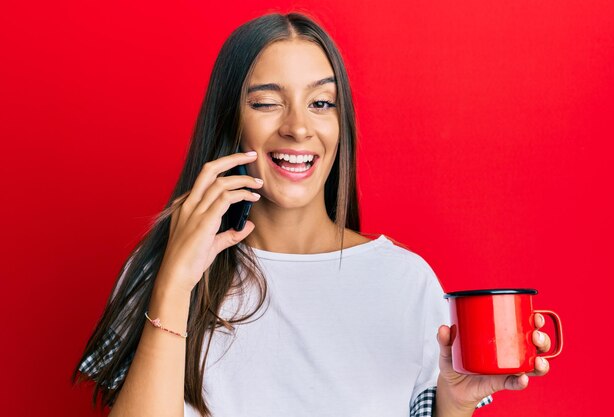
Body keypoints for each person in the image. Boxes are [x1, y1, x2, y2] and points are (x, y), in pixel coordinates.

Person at [74, 12, 553, 417]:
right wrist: (175, 282)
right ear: (229, 122)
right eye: (266, 102)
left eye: (321, 103)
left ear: (339, 124)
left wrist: (453, 404)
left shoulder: (406, 282)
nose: (298, 127)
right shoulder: (164, 270)